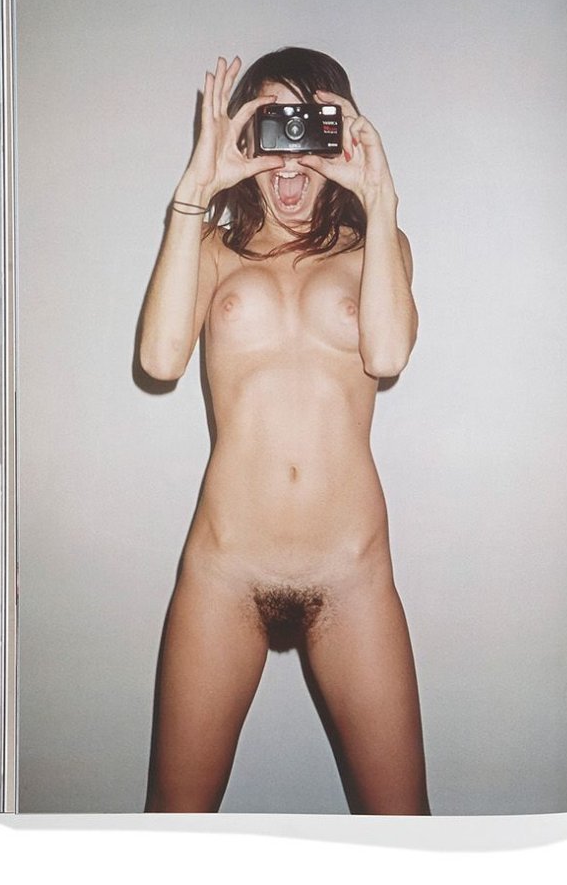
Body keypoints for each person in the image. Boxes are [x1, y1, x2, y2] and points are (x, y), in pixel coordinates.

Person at [138, 48, 429, 814]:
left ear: (343, 137)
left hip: (350, 575)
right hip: (226, 573)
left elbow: (388, 352)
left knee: (406, 830)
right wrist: (196, 189)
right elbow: (160, 358)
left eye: (314, 126)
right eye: (274, 126)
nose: (291, 155)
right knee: (173, 824)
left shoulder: (377, 248)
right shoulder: (213, 251)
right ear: (245, 136)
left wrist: (381, 198)